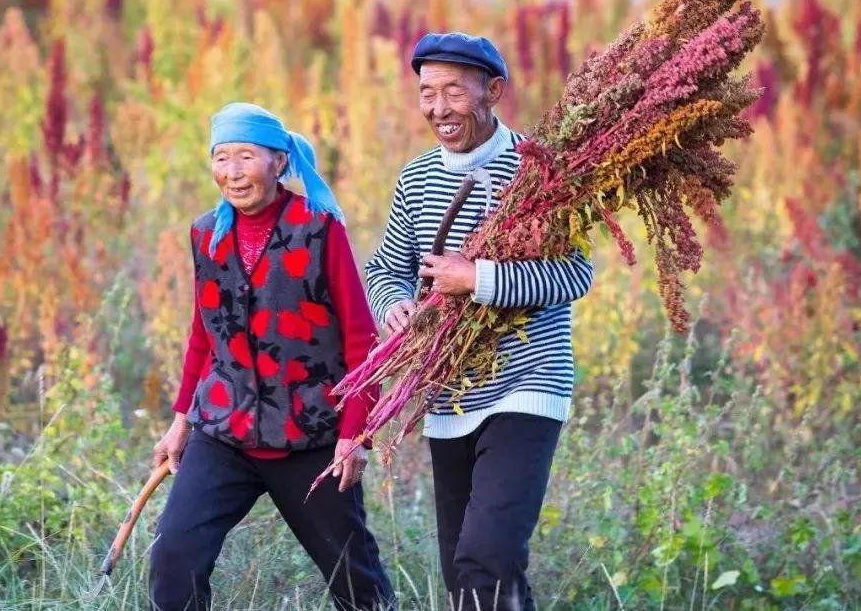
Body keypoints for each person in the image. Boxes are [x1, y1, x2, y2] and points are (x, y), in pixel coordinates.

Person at [364, 33, 594, 610]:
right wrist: (393, 304)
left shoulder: (540, 171)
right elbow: (385, 267)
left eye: (453, 93)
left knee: (485, 556)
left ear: (493, 91)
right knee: (465, 569)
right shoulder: (415, 179)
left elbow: (573, 277)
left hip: (528, 385)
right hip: (451, 399)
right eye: (427, 93)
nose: (439, 108)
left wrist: (479, 278)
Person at [149, 102, 395, 611]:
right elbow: (204, 336)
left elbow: (361, 341)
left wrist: (356, 434)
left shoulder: (319, 228)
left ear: (279, 162)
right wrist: (179, 423)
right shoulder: (206, 235)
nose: (233, 172)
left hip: (312, 438)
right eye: (221, 158)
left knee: (356, 580)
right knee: (173, 555)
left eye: (246, 156)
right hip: (224, 432)